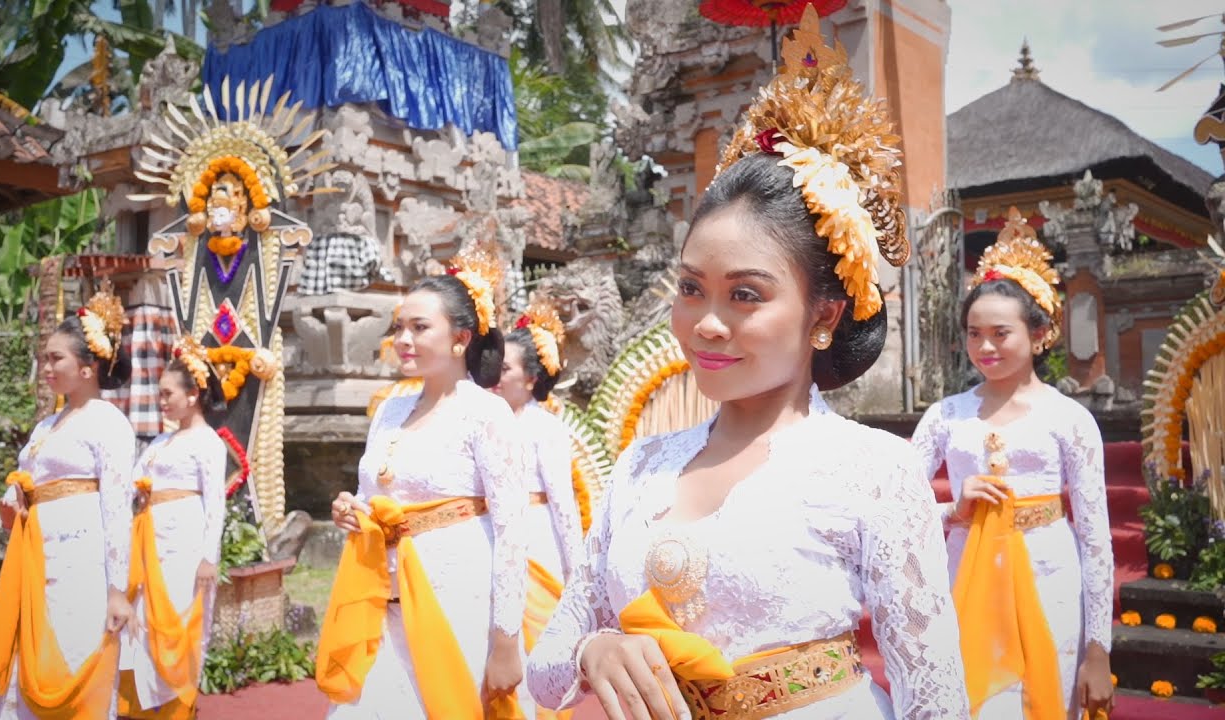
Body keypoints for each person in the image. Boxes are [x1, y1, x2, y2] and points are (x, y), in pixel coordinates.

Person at [525, 14, 967, 719]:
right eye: (691, 288)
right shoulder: (641, 468)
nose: (706, 322)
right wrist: (593, 651)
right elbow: (544, 673)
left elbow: (935, 700)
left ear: (824, 315)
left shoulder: (875, 472)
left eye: (746, 295)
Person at [912, 211, 1114, 720]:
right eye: (973, 333)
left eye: (1000, 333)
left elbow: (1096, 539)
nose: (984, 347)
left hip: (1051, 577)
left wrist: (1099, 651)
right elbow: (896, 508)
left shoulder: (1070, 419)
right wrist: (953, 511)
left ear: (1039, 333)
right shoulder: (944, 416)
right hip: (965, 575)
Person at [317, 244, 534, 719]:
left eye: (419, 328)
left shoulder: (486, 413)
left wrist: (505, 641)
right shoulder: (389, 410)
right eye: (399, 327)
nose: (403, 340)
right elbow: (375, 494)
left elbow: (513, 532)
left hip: (456, 604)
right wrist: (351, 508)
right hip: (380, 599)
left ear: (460, 338)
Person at [0, 288, 139, 719]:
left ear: (88, 367)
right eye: (44, 358)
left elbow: (117, 510)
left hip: (81, 562)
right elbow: (28, 483)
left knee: (72, 651)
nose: (46, 367)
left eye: (55, 358)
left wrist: (117, 591)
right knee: (20, 661)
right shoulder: (46, 426)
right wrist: (13, 500)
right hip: (34, 559)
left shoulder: (109, 422)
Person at [118, 335, 229, 719]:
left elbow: (215, 503)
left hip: (184, 541)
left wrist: (208, 557)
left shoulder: (208, 442)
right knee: (142, 620)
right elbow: (132, 483)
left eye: (168, 394)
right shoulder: (159, 442)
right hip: (147, 539)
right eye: (160, 394)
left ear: (193, 395)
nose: (161, 401)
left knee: (179, 617)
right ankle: (138, 707)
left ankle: (176, 707)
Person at [494, 300, 586, 717]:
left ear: (531, 378)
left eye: (505, 369)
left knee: (538, 639)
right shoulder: (482, 421)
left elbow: (564, 505)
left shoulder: (545, 428)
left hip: (536, 539)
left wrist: (576, 575)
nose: (495, 377)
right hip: (492, 537)